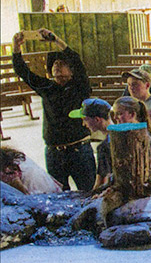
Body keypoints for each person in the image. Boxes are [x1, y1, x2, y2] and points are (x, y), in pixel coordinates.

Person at [12, 28, 95, 191]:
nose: (57, 66)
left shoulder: (80, 86)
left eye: (62, 64)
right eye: (55, 64)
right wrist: (16, 48)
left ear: (71, 71)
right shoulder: (47, 87)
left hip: (79, 150)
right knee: (58, 195)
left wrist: (56, 40)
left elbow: (77, 61)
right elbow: (23, 72)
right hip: (54, 153)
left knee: (88, 192)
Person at [68, 98, 114, 190]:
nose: (84, 124)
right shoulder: (103, 145)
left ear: (97, 119)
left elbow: (105, 182)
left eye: (85, 119)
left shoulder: (108, 145)